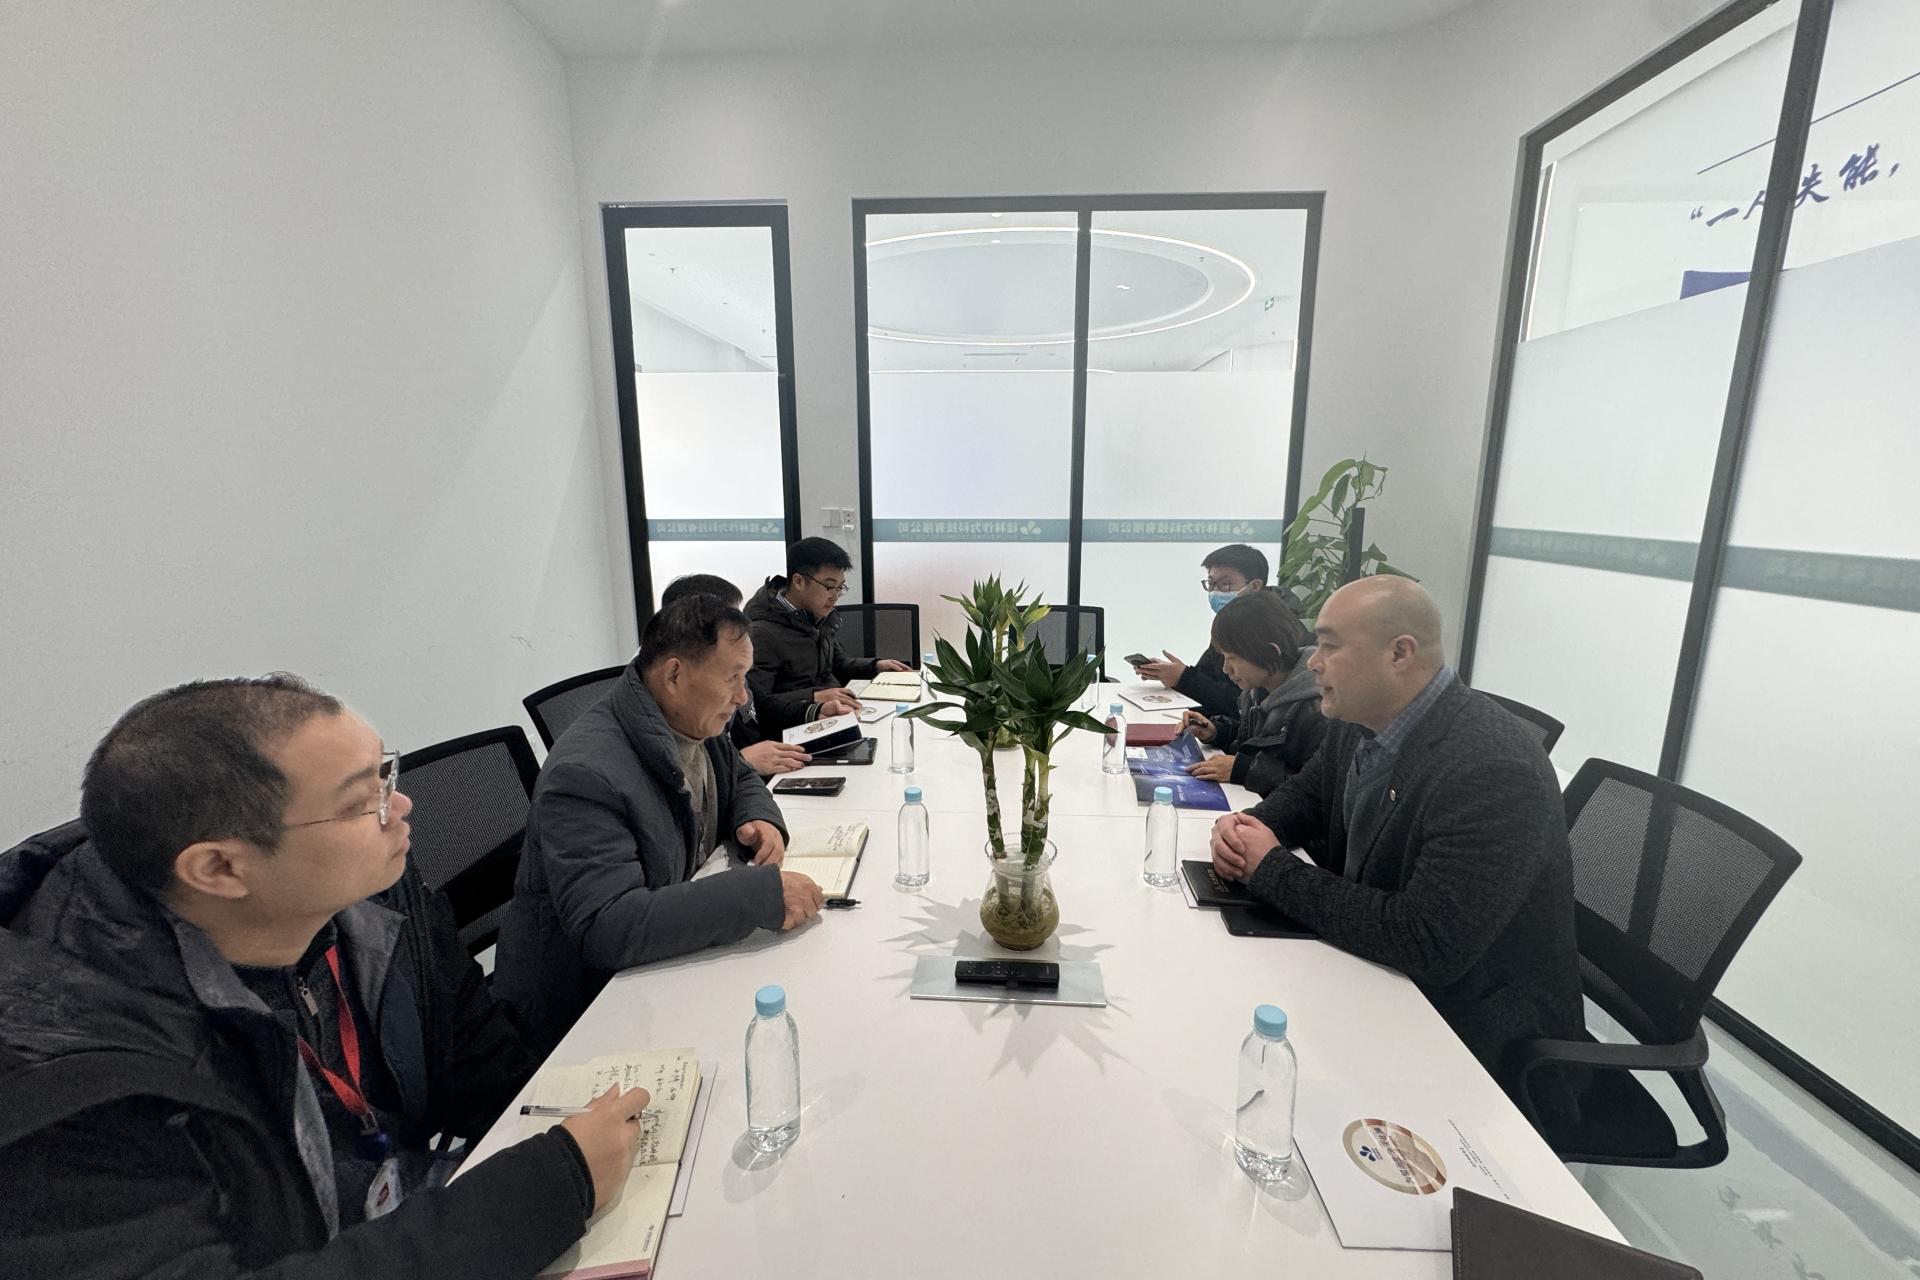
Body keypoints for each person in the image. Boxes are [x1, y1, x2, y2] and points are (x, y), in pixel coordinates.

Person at [0, 675, 645, 1279]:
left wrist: (565, 1120)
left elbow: (479, 1054)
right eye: (361, 802)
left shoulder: (371, 895)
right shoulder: (65, 1082)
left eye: (386, 774)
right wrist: (552, 1183)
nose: (402, 806)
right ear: (220, 869)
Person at [1209, 576, 1583, 1110]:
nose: (1314, 661)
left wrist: (1268, 867)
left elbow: (1425, 939)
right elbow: (1306, 797)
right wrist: (1245, 828)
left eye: (1331, 645)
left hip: (1469, 1032)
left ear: (1399, 654)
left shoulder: (1492, 767)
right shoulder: (1359, 718)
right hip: (1376, 975)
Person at [496, 594, 825, 1054]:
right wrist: (761, 895)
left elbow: (740, 774)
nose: (742, 696)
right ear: (674, 676)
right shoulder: (585, 774)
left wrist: (757, 816)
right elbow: (609, 926)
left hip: (660, 969)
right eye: (732, 677)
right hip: (583, 1013)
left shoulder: (689, 719)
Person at [744, 537, 910, 735]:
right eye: (829, 587)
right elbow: (756, 704)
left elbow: (838, 665)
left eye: (840, 587)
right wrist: (815, 696)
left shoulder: (817, 617)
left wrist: (874, 666)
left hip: (834, 717)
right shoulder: (761, 633)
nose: (835, 596)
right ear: (798, 581)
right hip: (796, 731)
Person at [1177, 589, 1328, 798]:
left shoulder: (1321, 709)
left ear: (1271, 652)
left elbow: (1314, 790)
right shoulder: (1255, 690)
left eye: (1233, 659)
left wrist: (1244, 770)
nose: (1226, 669)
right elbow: (1253, 742)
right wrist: (1216, 732)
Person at [659, 573, 812, 777]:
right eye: (731, 621)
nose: (742, 697)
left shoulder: (730, 664)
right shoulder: (679, 699)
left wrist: (814, 711)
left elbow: (764, 705)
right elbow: (688, 777)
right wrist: (742, 761)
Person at [1133, 543, 1285, 719]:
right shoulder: (1227, 623)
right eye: (1211, 584)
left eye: (1226, 584)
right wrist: (1171, 673)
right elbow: (1205, 676)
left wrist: (1183, 678)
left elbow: (1244, 704)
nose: (1215, 592)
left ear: (1255, 586)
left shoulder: (1276, 629)